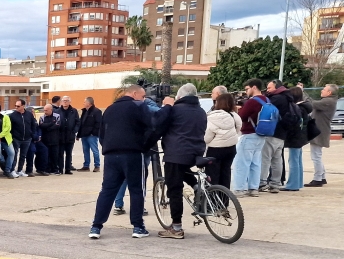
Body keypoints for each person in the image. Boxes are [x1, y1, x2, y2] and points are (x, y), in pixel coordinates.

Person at [88, 85, 153, 239]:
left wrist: (109, 147)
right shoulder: (138, 107)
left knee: (107, 191)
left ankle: (96, 227)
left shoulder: (109, 109)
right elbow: (151, 127)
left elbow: (102, 134)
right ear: (135, 94)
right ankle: (138, 227)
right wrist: (144, 146)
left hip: (111, 155)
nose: (144, 99)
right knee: (137, 190)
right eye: (143, 96)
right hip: (132, 154)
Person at [151, 83, 208, 238]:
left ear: (180, 97)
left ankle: (176, 227)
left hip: (176, 152)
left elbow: (158, 125)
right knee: (183, 170)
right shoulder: (201, 111)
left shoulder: (175, 110)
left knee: (174, 190)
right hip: (196, 151)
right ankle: (196, 186)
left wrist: (166, 107)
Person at [231, 79, 269, 197]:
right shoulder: (266, 100)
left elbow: (242, 116)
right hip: (261, 135)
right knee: (256, 163)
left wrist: (239, 109)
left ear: (254, 87)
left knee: (241, 162)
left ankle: (239, 188)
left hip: (249, 134)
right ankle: (253, 188)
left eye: (247, 89)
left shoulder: (252, 102)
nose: (246, 92)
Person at [261, 79, 296, 192]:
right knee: (277, 160)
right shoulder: (287, 97)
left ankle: (261, 182)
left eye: (269, 88)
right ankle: (275, 183)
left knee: (265, 159)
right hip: (282, 133)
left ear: (277, 87)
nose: (267, 90)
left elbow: (264, 108)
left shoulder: (276, 99)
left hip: (273, 131)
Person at [204, 93, 241, 190]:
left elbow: (207, 137)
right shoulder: (234, 116)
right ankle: (224, 200)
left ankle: (212, 202)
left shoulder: (212, 117)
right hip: (230, 148)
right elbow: (238, 128)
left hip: (215, 149)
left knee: (212, 176)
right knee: (226, 173)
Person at [307, 84, 338, 187]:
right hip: (319, 130)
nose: (322, 90)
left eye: (324, 89)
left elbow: (312, 103)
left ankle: (318, 178)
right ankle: (322, 176)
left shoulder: (328, 102)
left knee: (316, 156)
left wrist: (302, 92)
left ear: (329, 92)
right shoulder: (329, 101)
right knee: (317, 155)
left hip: (320, 131)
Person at [283, 85, 311, 191]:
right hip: (301, 136)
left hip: (295, 136)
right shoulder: (305, 107)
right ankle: (298, 182)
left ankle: (293, 184)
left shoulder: (297, 108)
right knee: (298, 160)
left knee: (293, 160)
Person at [9, 99, 35, 177]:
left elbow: (33, 124)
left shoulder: (29, 114)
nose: (16, 107)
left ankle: (20, 170)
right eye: (15, 106)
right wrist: (13, 136)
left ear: (23, 106)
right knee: (15, 155)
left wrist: (31, 134)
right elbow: (10, 127)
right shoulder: (12, 115)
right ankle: (12, 170)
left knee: (23, 155)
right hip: (16, 138)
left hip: (27, 138)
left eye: (18, 106)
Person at [78, 97, 103, 172]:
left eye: (84, 102)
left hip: (92, 135)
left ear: (89, 103)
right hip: (84, 134)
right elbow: (81, 123)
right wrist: (79, 134)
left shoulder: (97, 111)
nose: (83, 103)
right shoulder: (84, 111)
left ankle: (97, 165)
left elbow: (98, 123)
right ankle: (86, 166)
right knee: (85, 150)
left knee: (94, 150)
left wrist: (93, 132)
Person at [57, 96, 80, 173]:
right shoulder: (57, 111)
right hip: (61, 135)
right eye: (63, 101)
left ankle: (68, 169)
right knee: (60, 153)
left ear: (70, 102)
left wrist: (74, 130)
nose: (65, 102)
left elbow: (77, 122)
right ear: (61, 102)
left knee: (69, 153)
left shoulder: (74, 111)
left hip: (70, 135)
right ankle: (60, 169)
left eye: (67, 101)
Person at [39, 103, 62, 174]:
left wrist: (48, 127)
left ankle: (55, 169)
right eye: (44, 110)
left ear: (51, 110)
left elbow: (57, 125)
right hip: (45, 140)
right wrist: (51, 124)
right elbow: (41, 125)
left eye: (46, 110)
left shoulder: (57, 116)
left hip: (55, 139)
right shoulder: (42, 117)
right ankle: (47, 169)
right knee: (47, 155)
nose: (45, 112)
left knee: (55, 155)